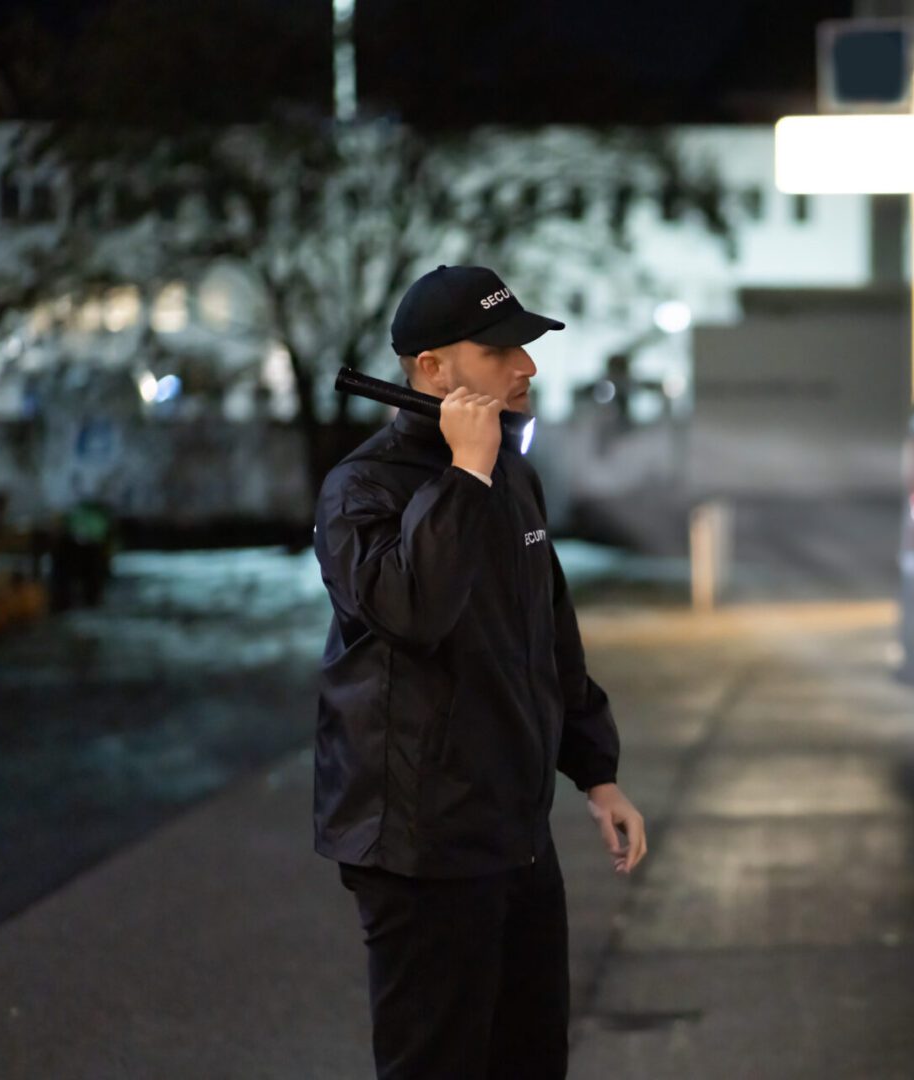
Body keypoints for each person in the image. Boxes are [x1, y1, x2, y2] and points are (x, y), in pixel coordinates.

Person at [312, 264, 648, 1079]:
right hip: (423, 847)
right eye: (500, 350)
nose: (525, 366)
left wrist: (597, 774)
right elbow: (413, 609)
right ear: (431, 369)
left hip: (514, 833)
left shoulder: (514, 476)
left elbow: (546, 634)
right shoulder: (362, 490)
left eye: (525, 347)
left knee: (530, 1059)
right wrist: (463, 474)